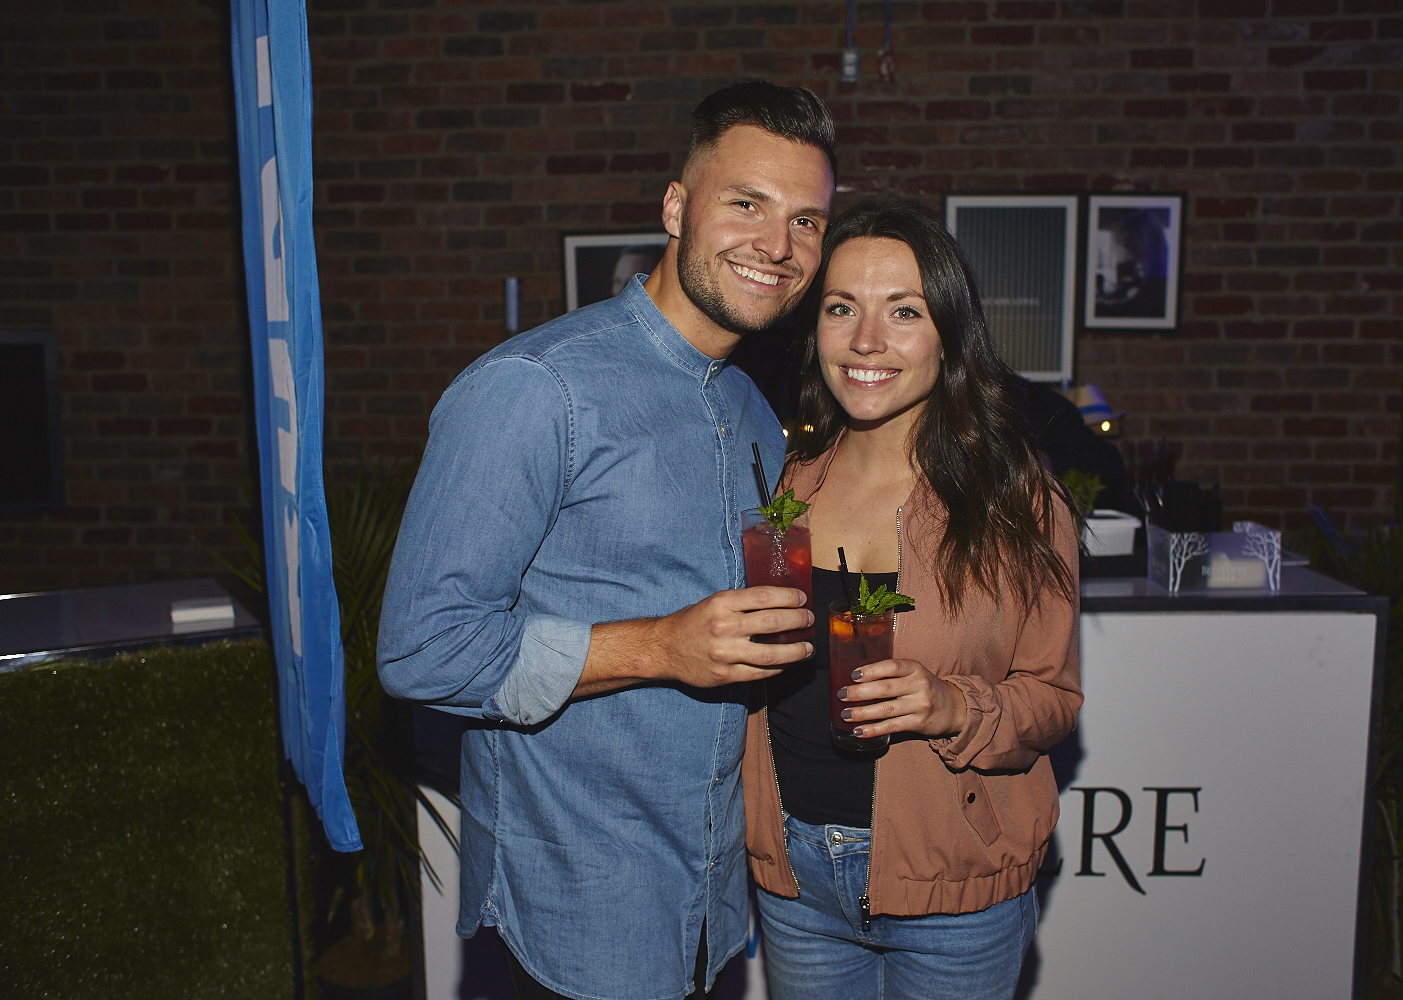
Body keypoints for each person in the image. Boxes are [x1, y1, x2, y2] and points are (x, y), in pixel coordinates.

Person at [377, 81, 837, 1000]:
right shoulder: (535, 387)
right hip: (580, 908)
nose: (778, 245)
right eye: (747, 203)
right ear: (675, 207)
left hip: (707, 907)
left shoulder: (753, 408)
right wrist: (662, 647)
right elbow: (421, 650)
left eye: (807, 222)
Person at [741, 200, 1083, 999]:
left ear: (950, 335)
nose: (867, 339)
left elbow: (1053, 700)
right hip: (794, 883)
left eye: (904, 311)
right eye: (841, 308)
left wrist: (953, 706)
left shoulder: (1016, 504)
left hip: (954, 891)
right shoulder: (784, 492)